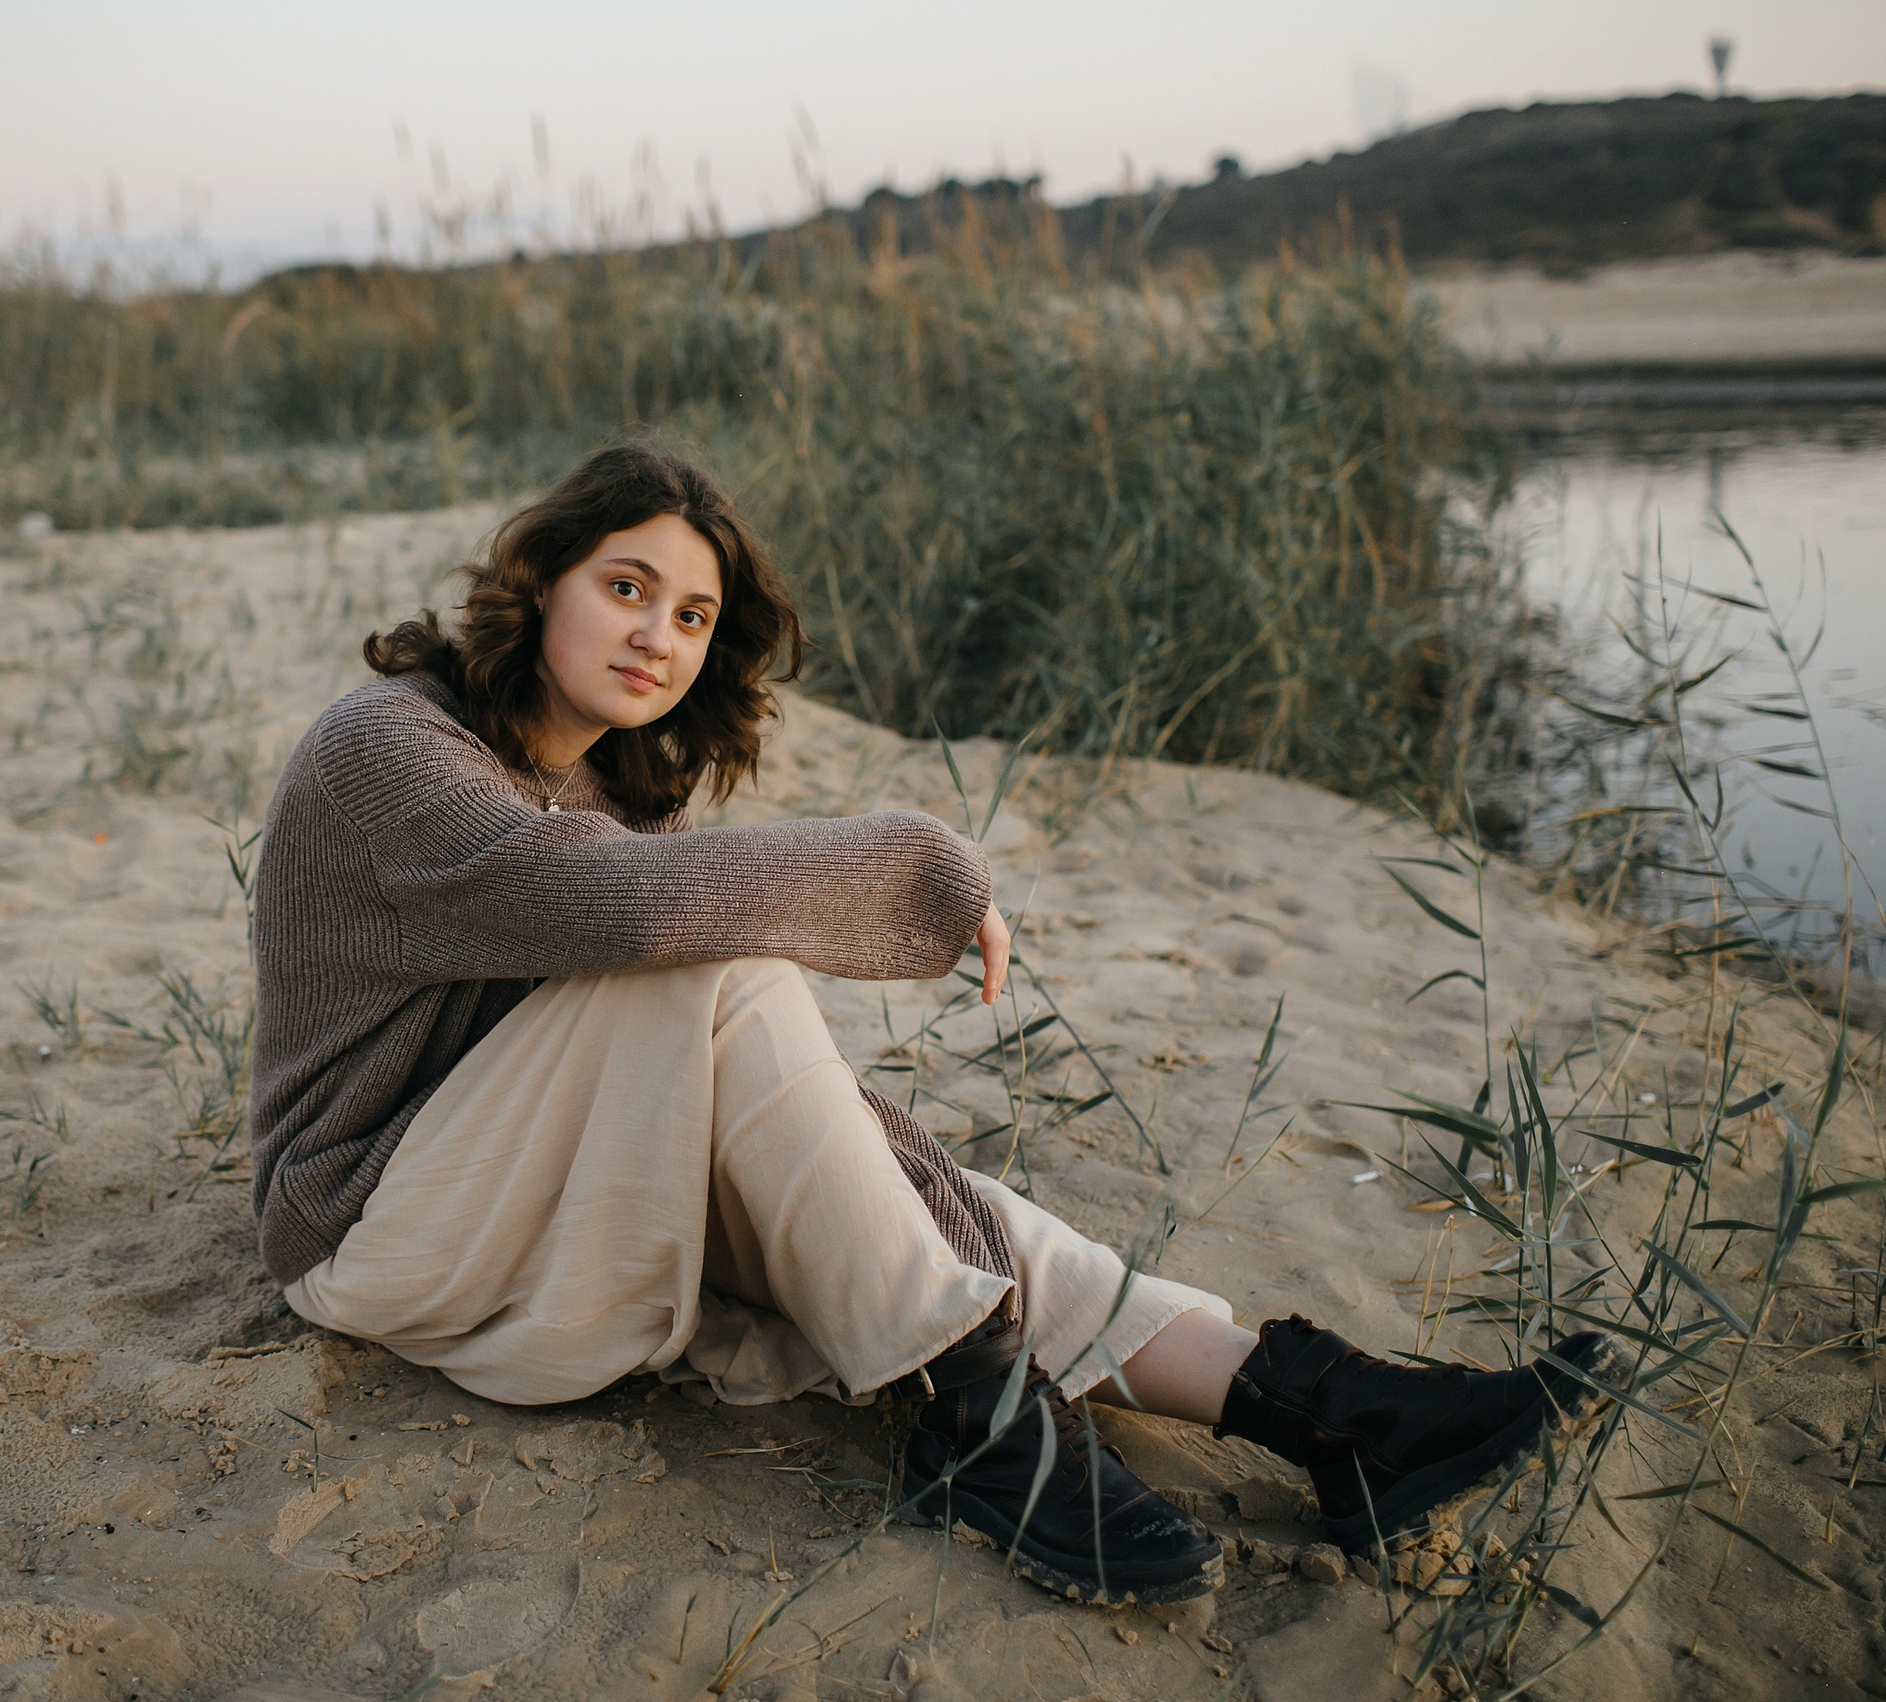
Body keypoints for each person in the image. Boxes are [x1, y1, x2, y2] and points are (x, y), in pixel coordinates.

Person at [247, 443, 1621, 1606]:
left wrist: (933, 1198)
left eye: (692, 616)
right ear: (539, 582)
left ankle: (1323, 1412)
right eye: (625, 588)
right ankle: (982, 1418)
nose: (657, 636)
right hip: (370, 1231)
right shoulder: (390, 749)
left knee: (910, 1170)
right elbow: (618, 907)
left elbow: (714, 1021)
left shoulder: (615, 796)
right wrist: (920, 865)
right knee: (710, 957)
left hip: (525, 1199)